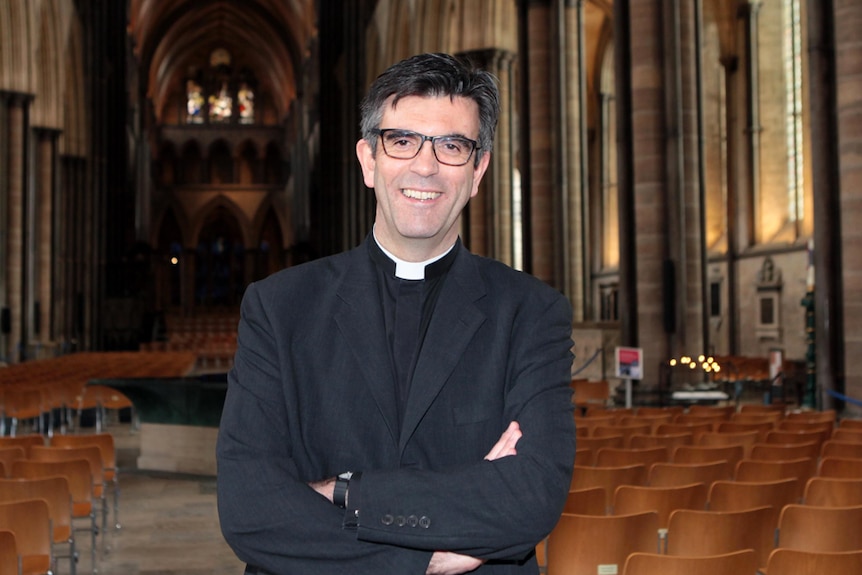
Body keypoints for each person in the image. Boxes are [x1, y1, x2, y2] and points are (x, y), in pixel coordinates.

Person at [217, 52, 576, 575]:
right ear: (368, 160)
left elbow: (533, 496)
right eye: (402, 141)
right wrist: (425, 557)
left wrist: (344, 491)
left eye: (453, 146)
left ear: (478, 172)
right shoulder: (278, 307)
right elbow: (250, 510)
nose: (425, 166)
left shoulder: (531, 313)